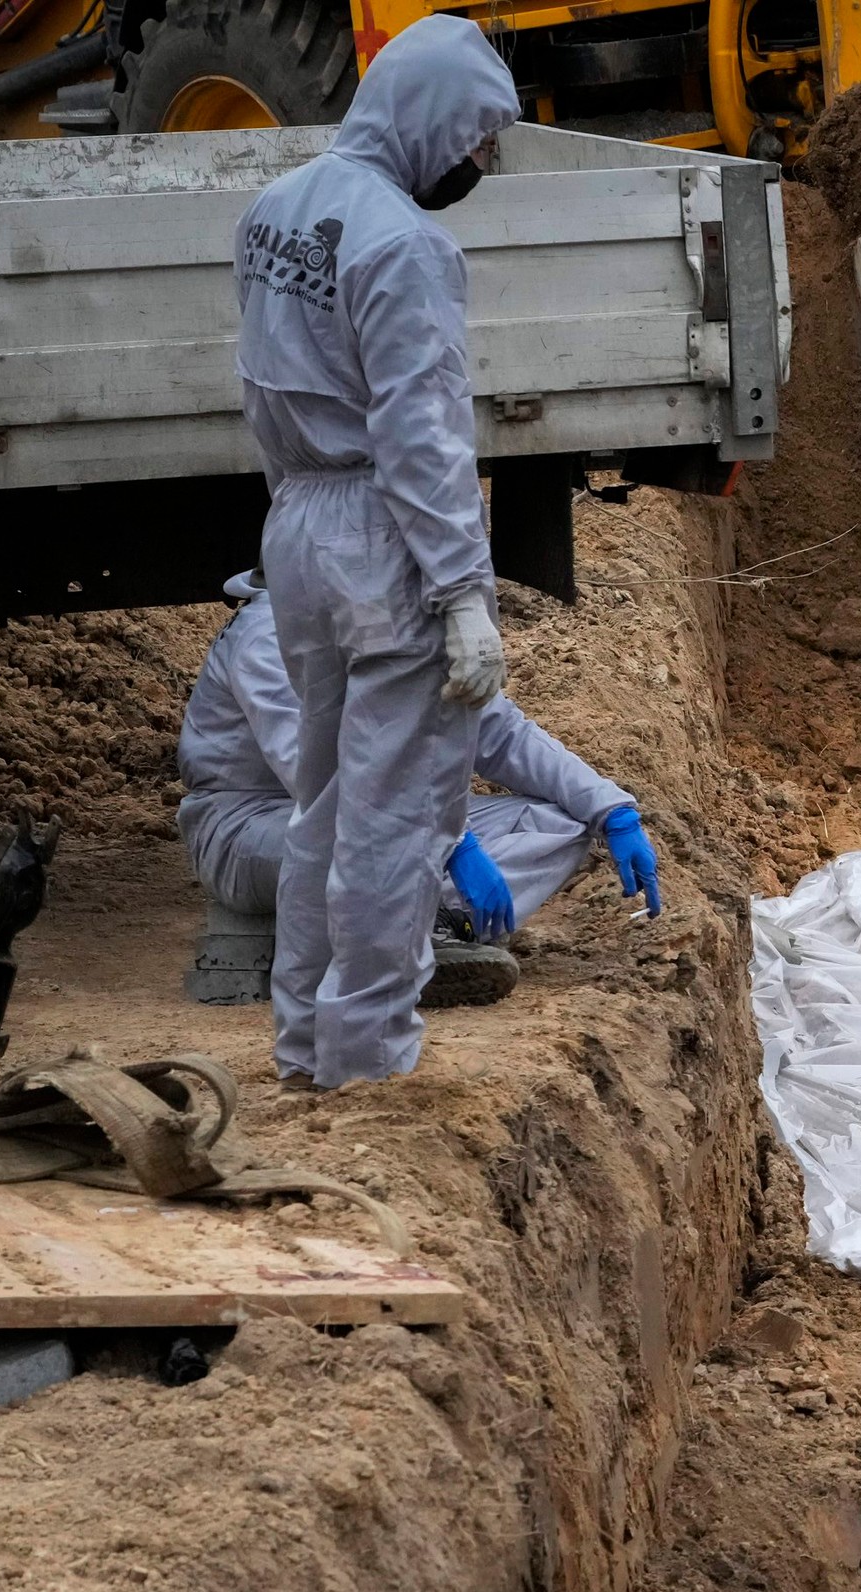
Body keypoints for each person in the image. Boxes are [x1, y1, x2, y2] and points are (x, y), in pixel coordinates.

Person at [232, 15, 520, 1087]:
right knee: (394, 823)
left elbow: (265, 386)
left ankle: (305, 1042)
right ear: (436, 118)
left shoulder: (275, 211)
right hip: (381, 539)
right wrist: (461, 593)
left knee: (323, 806)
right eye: (478, 138)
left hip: (298, 528)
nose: (477, 161)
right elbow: (421, 433)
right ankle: (363, 1058)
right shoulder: (406, 243)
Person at [177, 573, 661, 1004]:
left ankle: (438, 924)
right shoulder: (269, 636)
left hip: (383, 809)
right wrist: (446, 839)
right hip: (252, 827)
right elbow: (318, 776)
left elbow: (497, 732)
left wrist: (612, 810)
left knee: (561, 824)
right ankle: (397, 940)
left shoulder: (385, 615)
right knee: (373, 834)